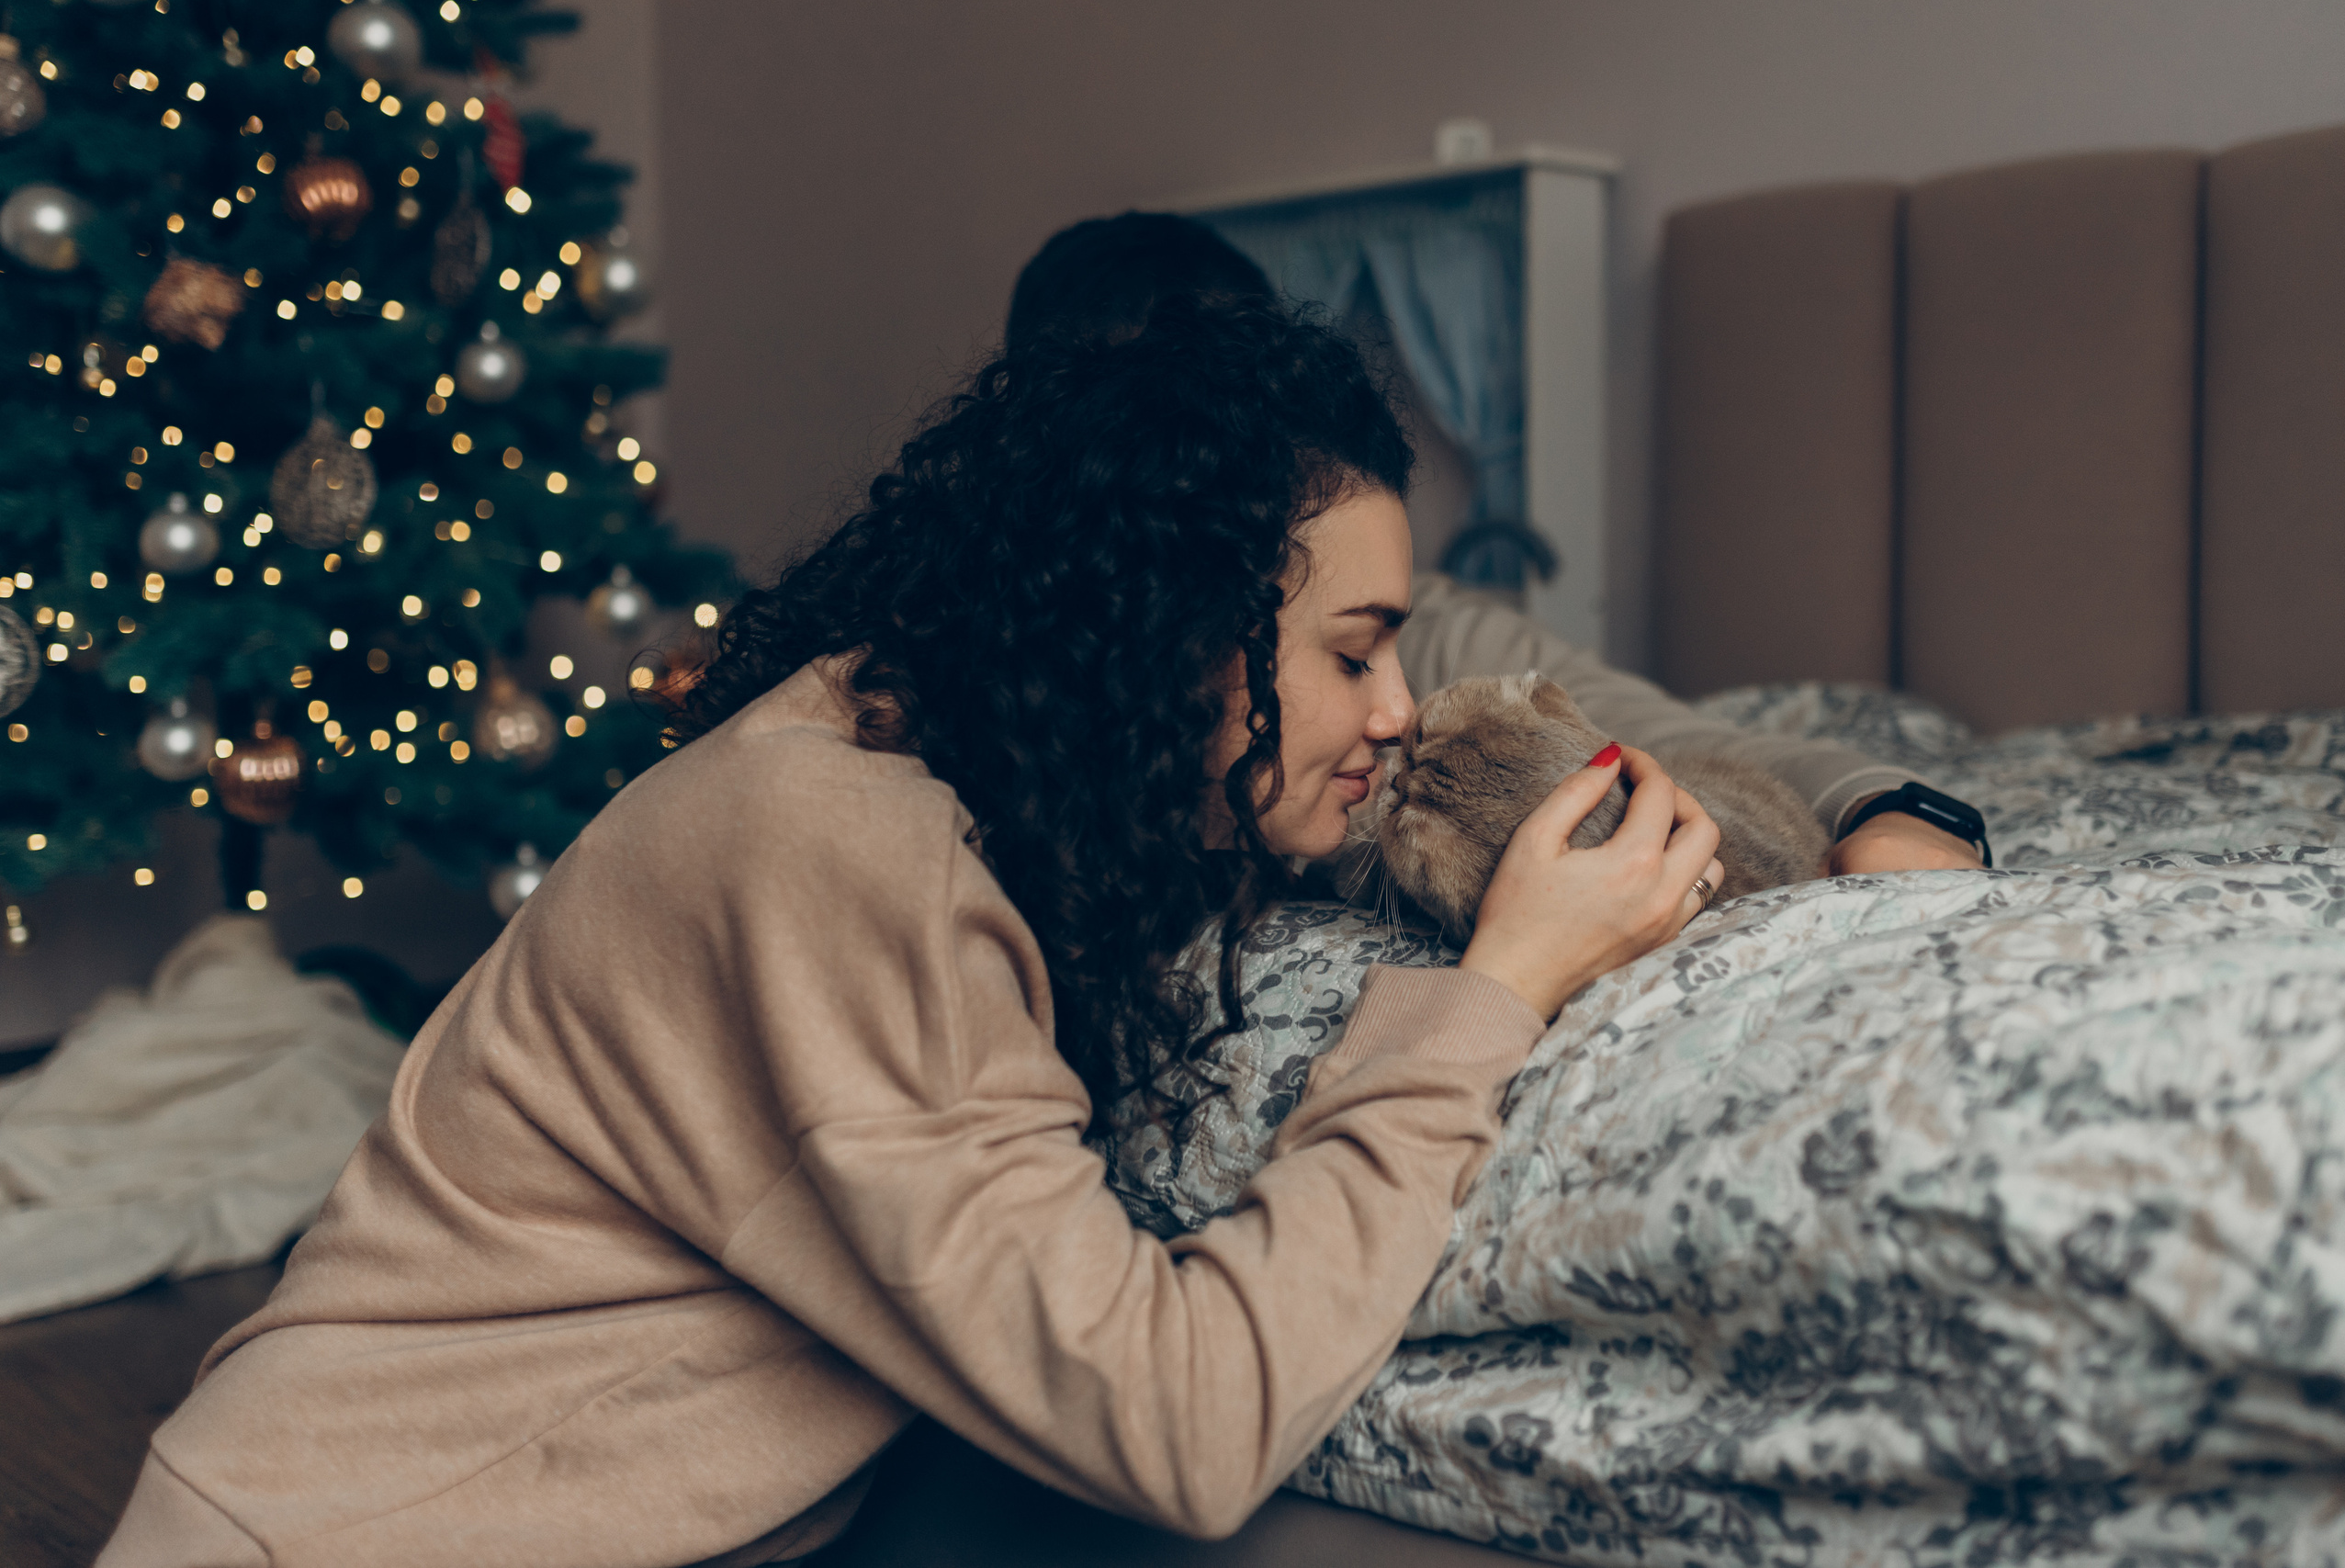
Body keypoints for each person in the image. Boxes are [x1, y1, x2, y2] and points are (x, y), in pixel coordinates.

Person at [97, 298, 1724, 1566]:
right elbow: (1179, 1418)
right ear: (1172, 637)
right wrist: (1499, 987)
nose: (1397, 705)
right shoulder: (837, 844)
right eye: (1356, 649)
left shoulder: (978, 784)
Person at [1008, 213, 1989, 875]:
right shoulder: (969, 746)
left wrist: (1887, 806)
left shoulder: (1421, 634)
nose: (1393, 713)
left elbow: (1670, 742)